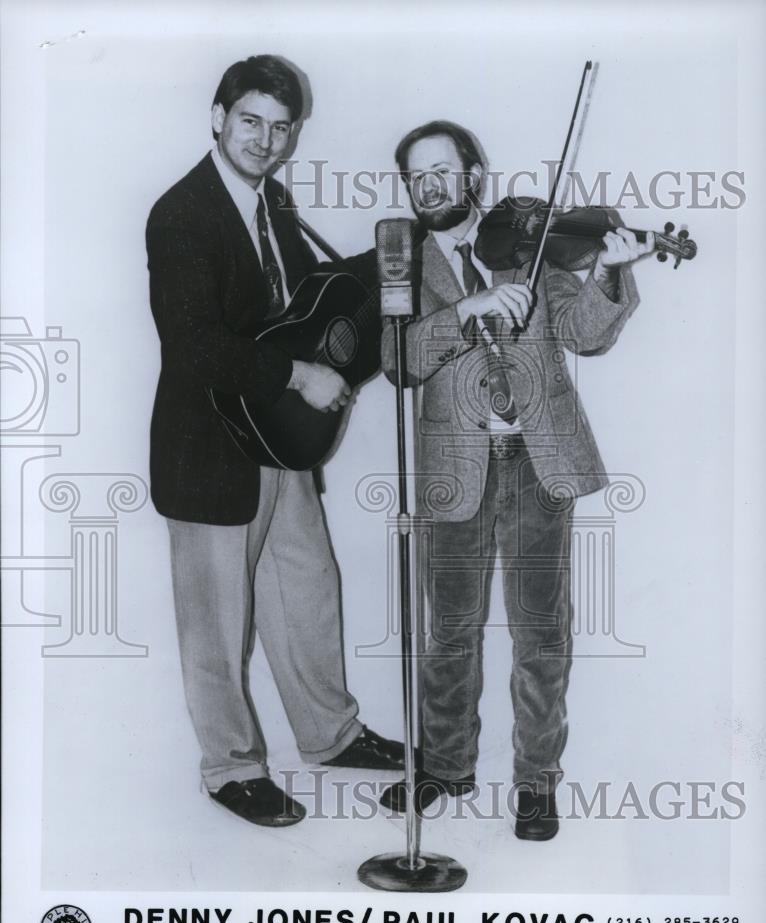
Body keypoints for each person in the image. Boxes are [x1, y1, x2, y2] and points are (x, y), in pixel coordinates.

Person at [145, 55, 404, 829]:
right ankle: (230, 769)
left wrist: (401, 246)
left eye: (281, 127)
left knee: (307, 591)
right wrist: (296, 374)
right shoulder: (181, 213)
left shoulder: (275, 204)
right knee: (217, 622)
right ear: (219, 117)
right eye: (251, 120)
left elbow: (302, 305)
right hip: (208, 447)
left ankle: (329, 736)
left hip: (276, 440)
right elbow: (191, 345)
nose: (266, 138)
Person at [379, 120, 654, 839]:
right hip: (451, 466)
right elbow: (398, 360)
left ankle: (535, 782)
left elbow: (585, 334)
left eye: (445, 169)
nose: (432, 185)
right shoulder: (397, 260)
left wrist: (610, 273)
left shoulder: (526, 246)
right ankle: (443, 765)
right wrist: (465, 311)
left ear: (474, 174)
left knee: (540, 630)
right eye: (418, 175)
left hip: (538, 462)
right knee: (449, 632)